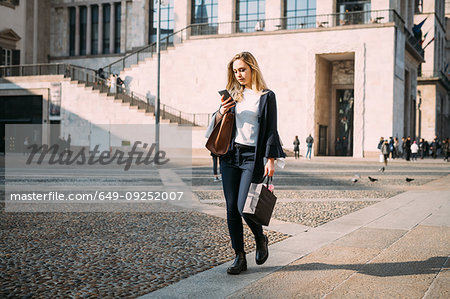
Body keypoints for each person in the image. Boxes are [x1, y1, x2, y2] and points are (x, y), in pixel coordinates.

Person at [205, 52, 285, 275]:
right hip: (230, 156)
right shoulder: (233, 95)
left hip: (252, 158)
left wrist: (271, 160)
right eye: (235, 71)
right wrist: (222, 111)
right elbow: (217, 122)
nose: (238, 74)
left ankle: (261, 238)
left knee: (244, 207)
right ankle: (239, 256)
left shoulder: (267, 96)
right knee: (231, 209)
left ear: (252, 69)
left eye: (242, 69)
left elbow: (271, 130)